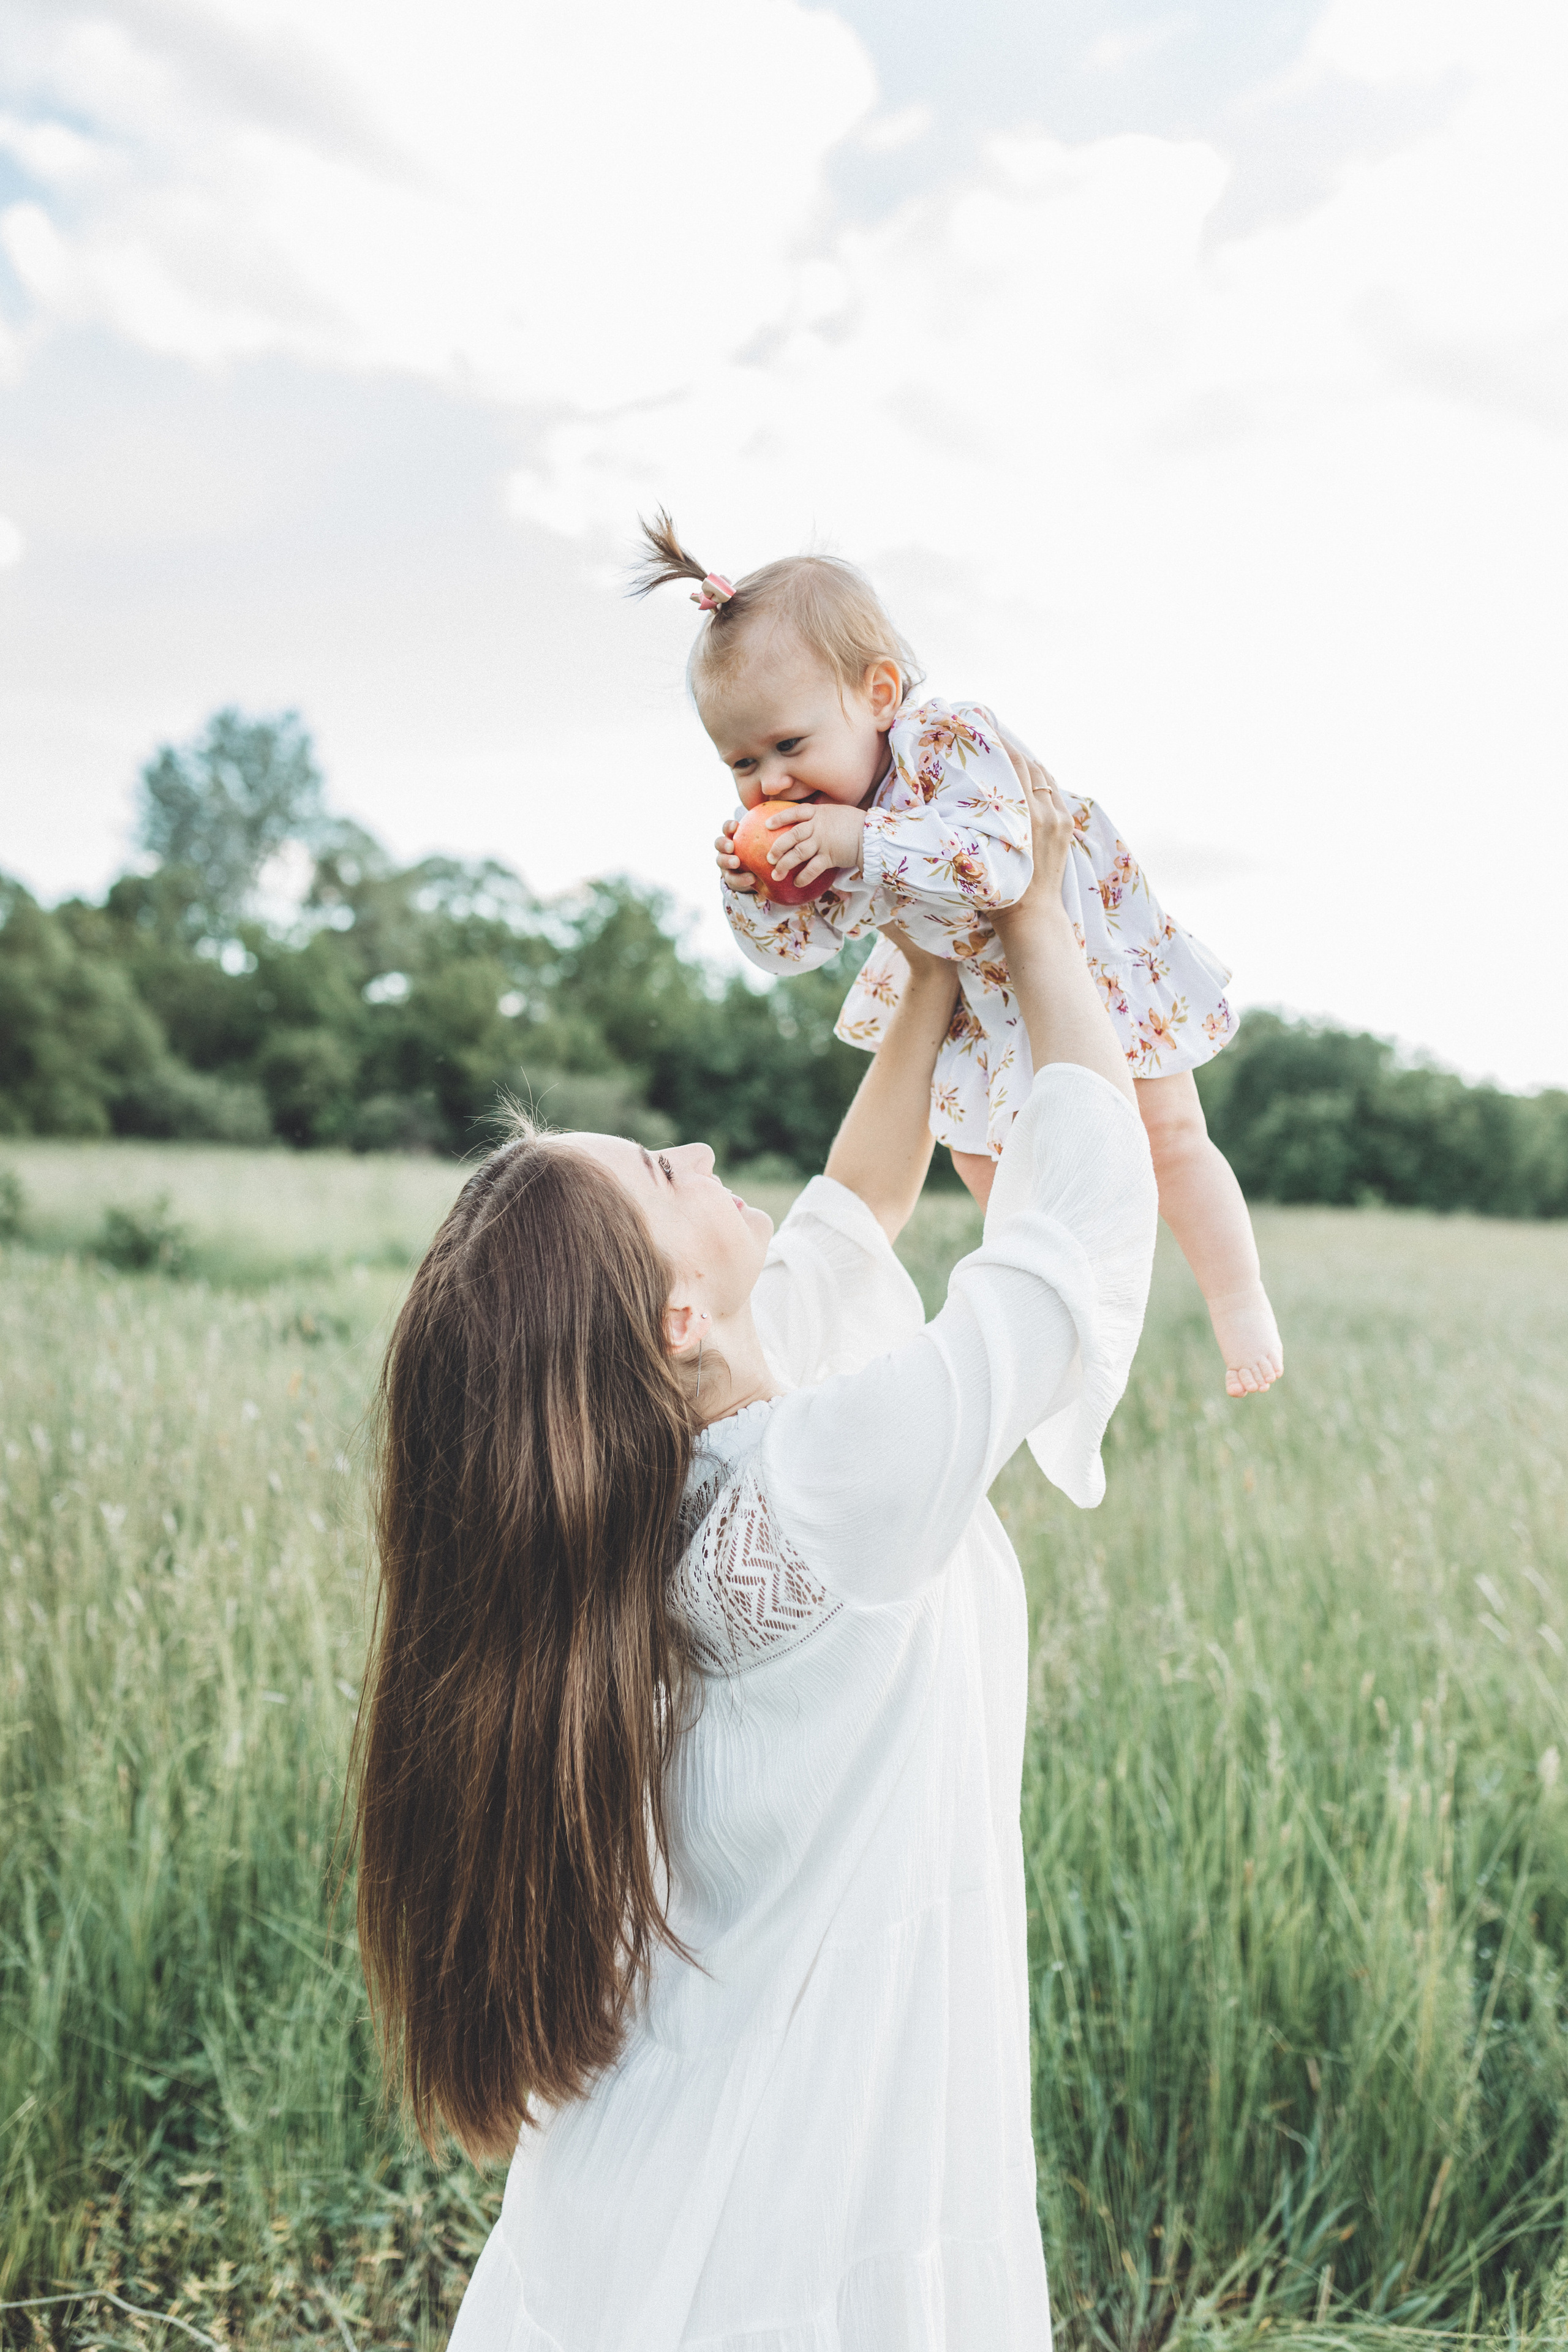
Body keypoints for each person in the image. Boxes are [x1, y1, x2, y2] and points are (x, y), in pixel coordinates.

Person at [352, 752, 1158, 2350]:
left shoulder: (680, 1481)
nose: (711, 1160)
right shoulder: (805, 1490)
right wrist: (1049, 931)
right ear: (674, 1318)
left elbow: (848, 1224)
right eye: (666, 1174)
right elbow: (1059, 1273)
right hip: (791, 2196)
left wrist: (932, 972)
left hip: (706, 2161)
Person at [631, 511, 1283, 1399]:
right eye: (742, 763)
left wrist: (861, 841)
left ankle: (1239, 1300)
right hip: (979, 999)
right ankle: (1064, 1313)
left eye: (789, 744)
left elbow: (1007, 864)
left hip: (1085, 953)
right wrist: (751, 897)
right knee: (987, 1165)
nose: (770, 784)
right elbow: (795, 949)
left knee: (1167, 1133)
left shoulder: (946, 745)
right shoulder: (826, 821)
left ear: (879, 694)